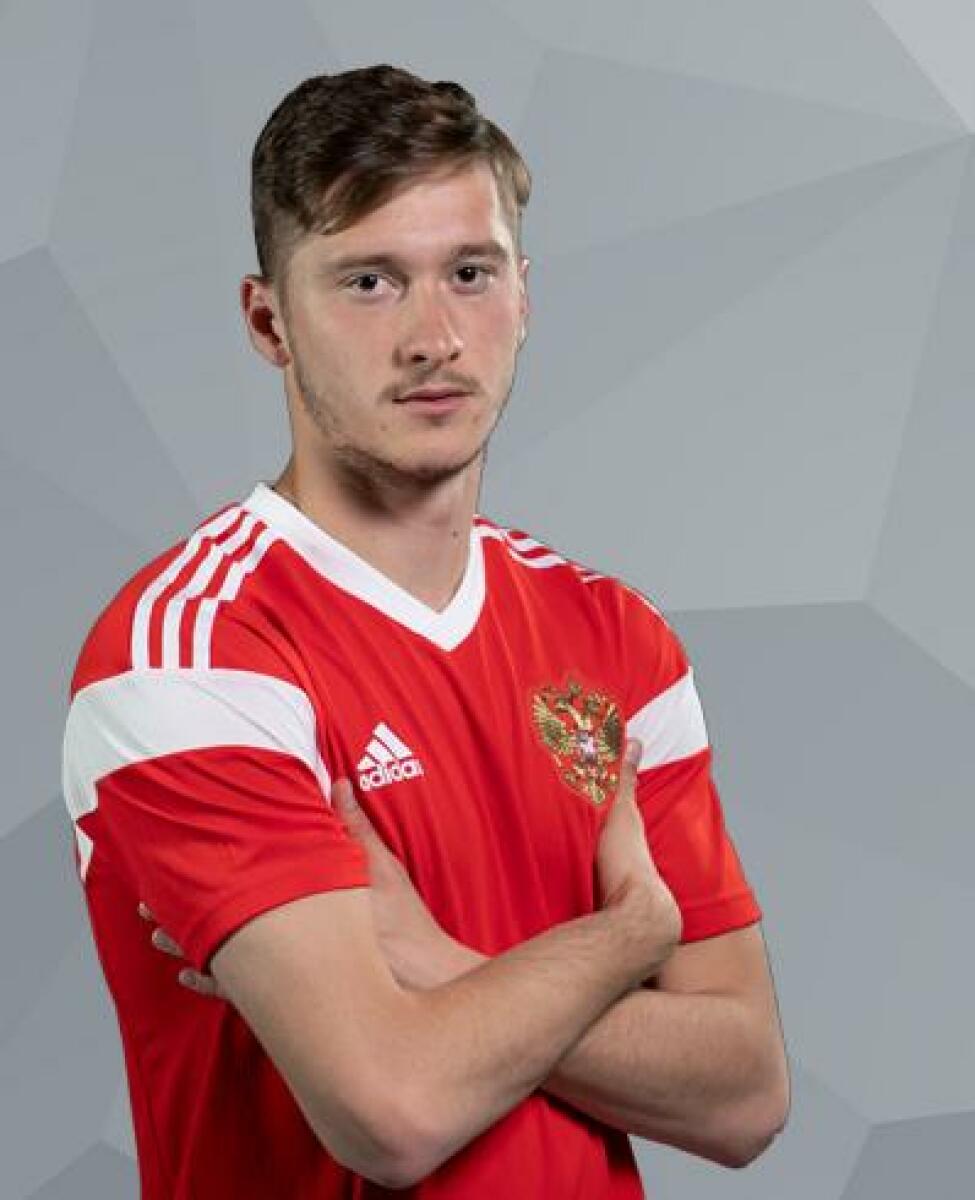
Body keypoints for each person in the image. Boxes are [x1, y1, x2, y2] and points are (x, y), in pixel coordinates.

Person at [60, 64, 789, 1197]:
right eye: (369, 282)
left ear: (523, 295)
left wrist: (441, 965)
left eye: (470, 273)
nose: (434, 337)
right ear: (268, 321)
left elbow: (744, 1092)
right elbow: (391, 1110)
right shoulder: (191, 652)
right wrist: (623, 940)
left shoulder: (615, 638)